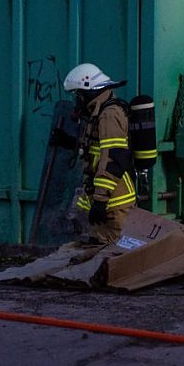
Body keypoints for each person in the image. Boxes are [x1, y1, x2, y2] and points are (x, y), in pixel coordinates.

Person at [61, 63, 135, 244]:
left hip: (114, 201)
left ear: (89, 91)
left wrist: (100, 201)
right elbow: (96, 150)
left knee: (110, 254)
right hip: (106, 198)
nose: (76, 100)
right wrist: (69, 142)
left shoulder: (109, 114)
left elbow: (113, 158)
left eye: (77, 95)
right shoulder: (98, 112)